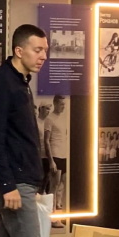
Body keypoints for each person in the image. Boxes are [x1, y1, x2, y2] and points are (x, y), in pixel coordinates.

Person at [0, 24, 49, 237]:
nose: (43, 56)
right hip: (13, 183)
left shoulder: (20, 81)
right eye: (38, 50)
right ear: (19, 51)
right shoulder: (2, 82)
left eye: (45, 50)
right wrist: (8, 186)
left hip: (20, 181)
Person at [45, 94, 67, 227]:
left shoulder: (63, 118)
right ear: (55, 103)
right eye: (61, 104)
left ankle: (58, 216)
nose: (63, 107)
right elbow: (46, 140)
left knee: (62, 187)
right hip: (55, 155)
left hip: (64, 155)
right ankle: (51, 218)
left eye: (64, 104)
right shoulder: (49, 119)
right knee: (54, 187)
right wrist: (51, 160)